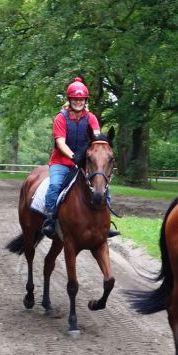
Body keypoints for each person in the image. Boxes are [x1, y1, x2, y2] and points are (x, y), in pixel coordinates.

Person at [39, 77, 119, 239]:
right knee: (55, 185)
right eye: (75, 99)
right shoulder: (60, 118)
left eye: (81, 99)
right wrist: (74, 156)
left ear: (85, 100)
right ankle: (50, 220)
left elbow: (96, 137)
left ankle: (106, 221)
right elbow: (60, 143)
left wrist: (99, 152)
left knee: (102, 184)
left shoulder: (91, 118)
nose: (78, 102)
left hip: (84, 162)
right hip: (61, 162)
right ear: (69, 100)